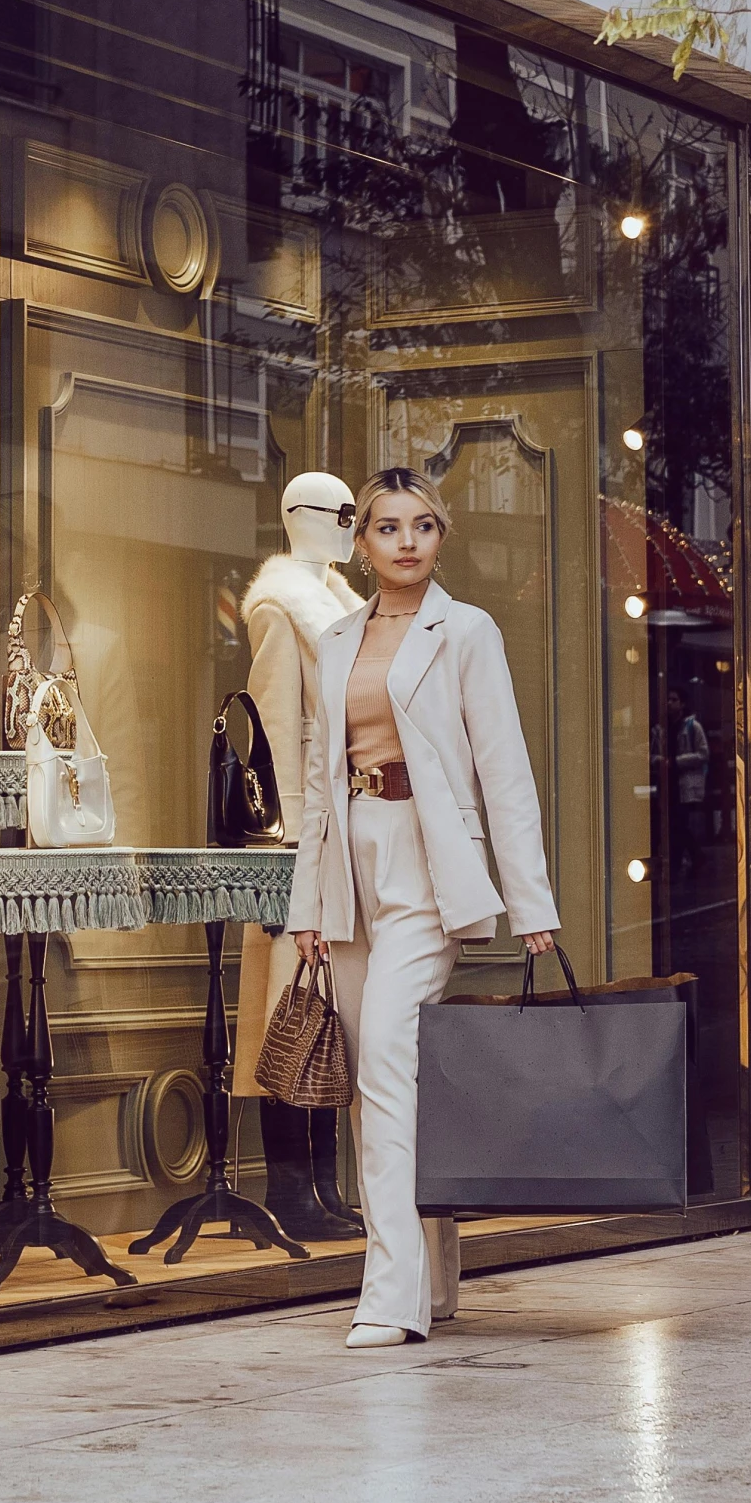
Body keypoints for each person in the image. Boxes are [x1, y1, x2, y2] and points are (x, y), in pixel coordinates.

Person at [288, 466, 560, 1348]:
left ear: (440, 537)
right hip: (349, 867)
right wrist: (305, 908)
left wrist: (531, 902)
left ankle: (391, 1297)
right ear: (361, 544)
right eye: (386, 528)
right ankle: (437, 1281)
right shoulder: (334, 639)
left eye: (423, 526)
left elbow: (504, 770)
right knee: (387, 1084)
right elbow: (316, 786)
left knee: (387, 1070)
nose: (406, 542)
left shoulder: (467, 632)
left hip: (426, 862)